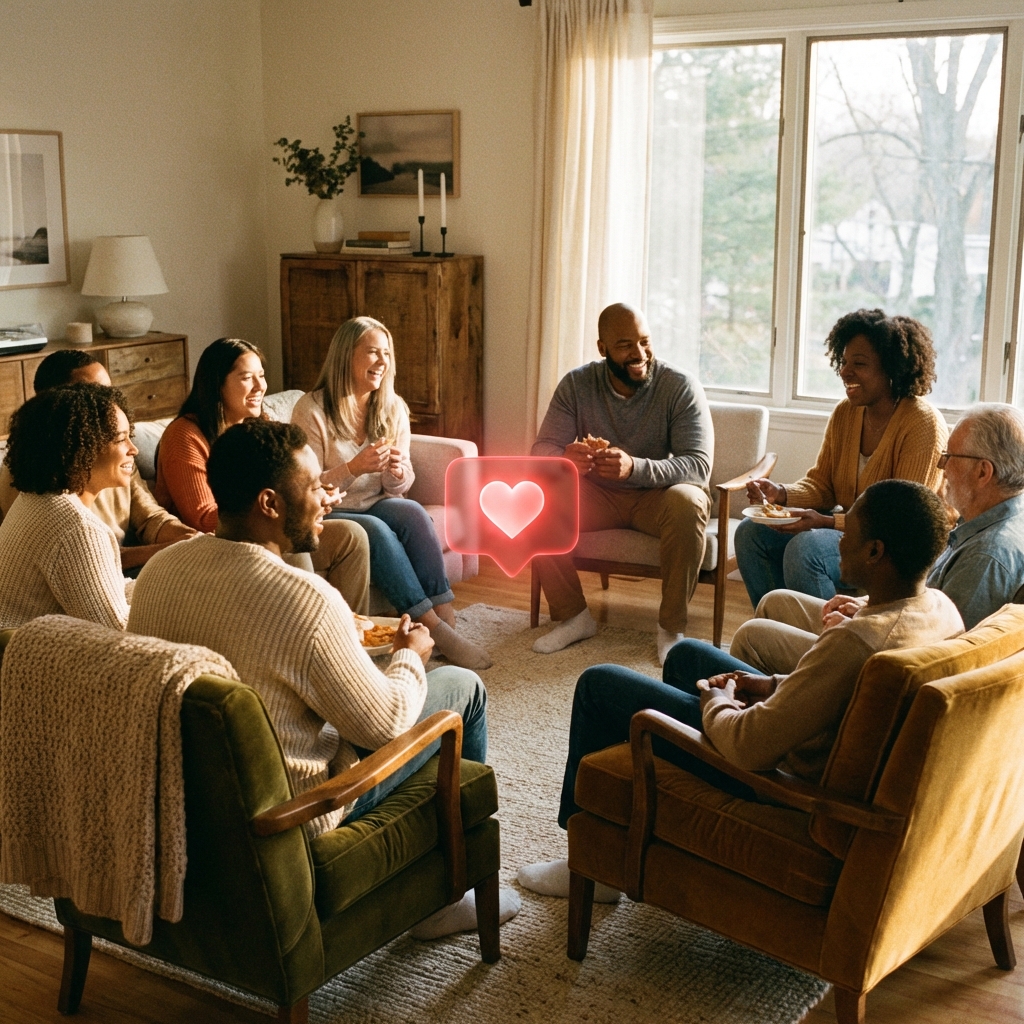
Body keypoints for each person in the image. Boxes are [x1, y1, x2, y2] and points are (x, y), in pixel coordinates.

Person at [129, 418, 518, 938]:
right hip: (293, 810)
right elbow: (381, 729)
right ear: (270, 504)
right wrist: (412, 654)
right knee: (463, 690)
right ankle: (448, 890)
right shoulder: (306, 601)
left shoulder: (159, 572)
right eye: (313, 487)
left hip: (189, 802)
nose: (326, 498)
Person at [518, 479, 962, 899]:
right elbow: (844, 694)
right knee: (686, 655)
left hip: (776, 779)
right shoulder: (938, 608)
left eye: (851, 528)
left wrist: (717, 704)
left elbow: (750, 747)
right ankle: (645, 820)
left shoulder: (854, 643)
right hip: (805, 736)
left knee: (599, 685)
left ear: (875, 551)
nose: (841, 538)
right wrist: (772, 684)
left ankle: (590, 864)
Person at [734, 404, 1024, 668]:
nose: (942, 467)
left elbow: (939, 654)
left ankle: (769, 706)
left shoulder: (987, 557)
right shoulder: (986, 522)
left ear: (983, 472)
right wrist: (862, 607)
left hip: (887, 664)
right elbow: (920, 611)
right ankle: (779, 697)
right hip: (891, 629)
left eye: (949, 457)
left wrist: (856, 626)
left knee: (752, 636)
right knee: (776, 602)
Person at [291, 317, 491, 670]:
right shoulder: (311, 410)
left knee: (412, 512)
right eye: (372, 353)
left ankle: (446, 616)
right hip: (331, 510)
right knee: (378, 531)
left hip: (375, 503)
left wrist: (397, 473)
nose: (382, 362)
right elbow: (307, 486)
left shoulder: (392, 406)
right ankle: (435, 630)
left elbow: (398, 488)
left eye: (386, 353)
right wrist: (353, 468)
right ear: (345, 357)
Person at [530, 302, 714, 665]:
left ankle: (671, 629)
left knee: (688, 501)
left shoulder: (679, 387)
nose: (639, 353)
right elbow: (541, 450)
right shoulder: (577, 384)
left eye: (645, 342)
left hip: (657, 499)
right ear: (602, 349)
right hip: (598, 496)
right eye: (626, 345)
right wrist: (565, 459)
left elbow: (698, 465)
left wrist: (636, 468)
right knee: (535, 500)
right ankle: (574, 617)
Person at [735, 309, 947, 608]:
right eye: (844, 362)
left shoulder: (921, 424)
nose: (845, 372)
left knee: (807, 548)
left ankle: (826, 646)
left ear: (892, 369)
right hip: (852, 535)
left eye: (859, 364)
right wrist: (780, 493)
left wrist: (825, 521)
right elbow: (823, 485)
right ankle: (777, 628)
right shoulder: (846, 413)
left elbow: (901, 522)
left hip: (893, 550)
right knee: (751, 532)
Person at [154, 337, 370, 611]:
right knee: (291, 541)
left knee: (352, 537)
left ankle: (355, 639)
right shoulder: (184, 435)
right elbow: (204, 519)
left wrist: (313, 498)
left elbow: (286, 484)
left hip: (266, 527)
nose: (260, 387)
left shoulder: (258, 427)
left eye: (262, 376)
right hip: (215, 544)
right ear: (216, 384)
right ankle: (307, 636)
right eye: (247, 378)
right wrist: (293, 509)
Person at [0, 349, 195, 571]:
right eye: (94, 393)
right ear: (60, 404)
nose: (109, 402)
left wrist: (188, 537)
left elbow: (150, 518)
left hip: (122, 566)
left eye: (109, 390)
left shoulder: (117, 453)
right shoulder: (32, 470)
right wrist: (165, 550)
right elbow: (79, 555)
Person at [0, 383, 137, 629]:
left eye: (131, 437)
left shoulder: (34, 500)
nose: (133, 449)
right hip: (37, 660)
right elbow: (118, 631)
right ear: (80, 448)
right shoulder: (77, 528)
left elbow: (108, 590)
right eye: (120, 439)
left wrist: (166, 585)